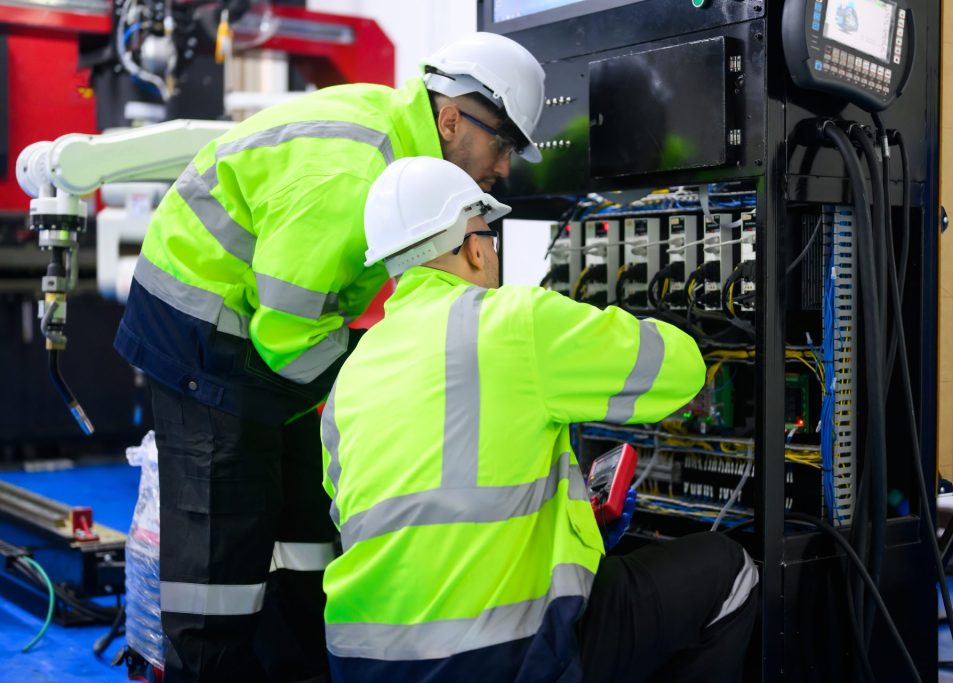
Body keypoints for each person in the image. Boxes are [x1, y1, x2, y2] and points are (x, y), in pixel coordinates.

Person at [113, 33, 546, 682]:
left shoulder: (401, 143)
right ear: (452, 118)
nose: (504, 167)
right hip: (200, 325)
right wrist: (381, 376)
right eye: (502, 144)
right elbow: (286, 338)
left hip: (260, 322)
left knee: (305, 523)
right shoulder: (357, 171)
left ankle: (296, 665)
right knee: (221, 545)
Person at [320, 156, 759, 682]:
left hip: (361, 663)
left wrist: (573, 523)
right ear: (474, 246)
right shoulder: (512, 321)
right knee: (729, 571)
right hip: (496, 657)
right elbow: (680, 370)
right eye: (491, 239)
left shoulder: (354, 373)